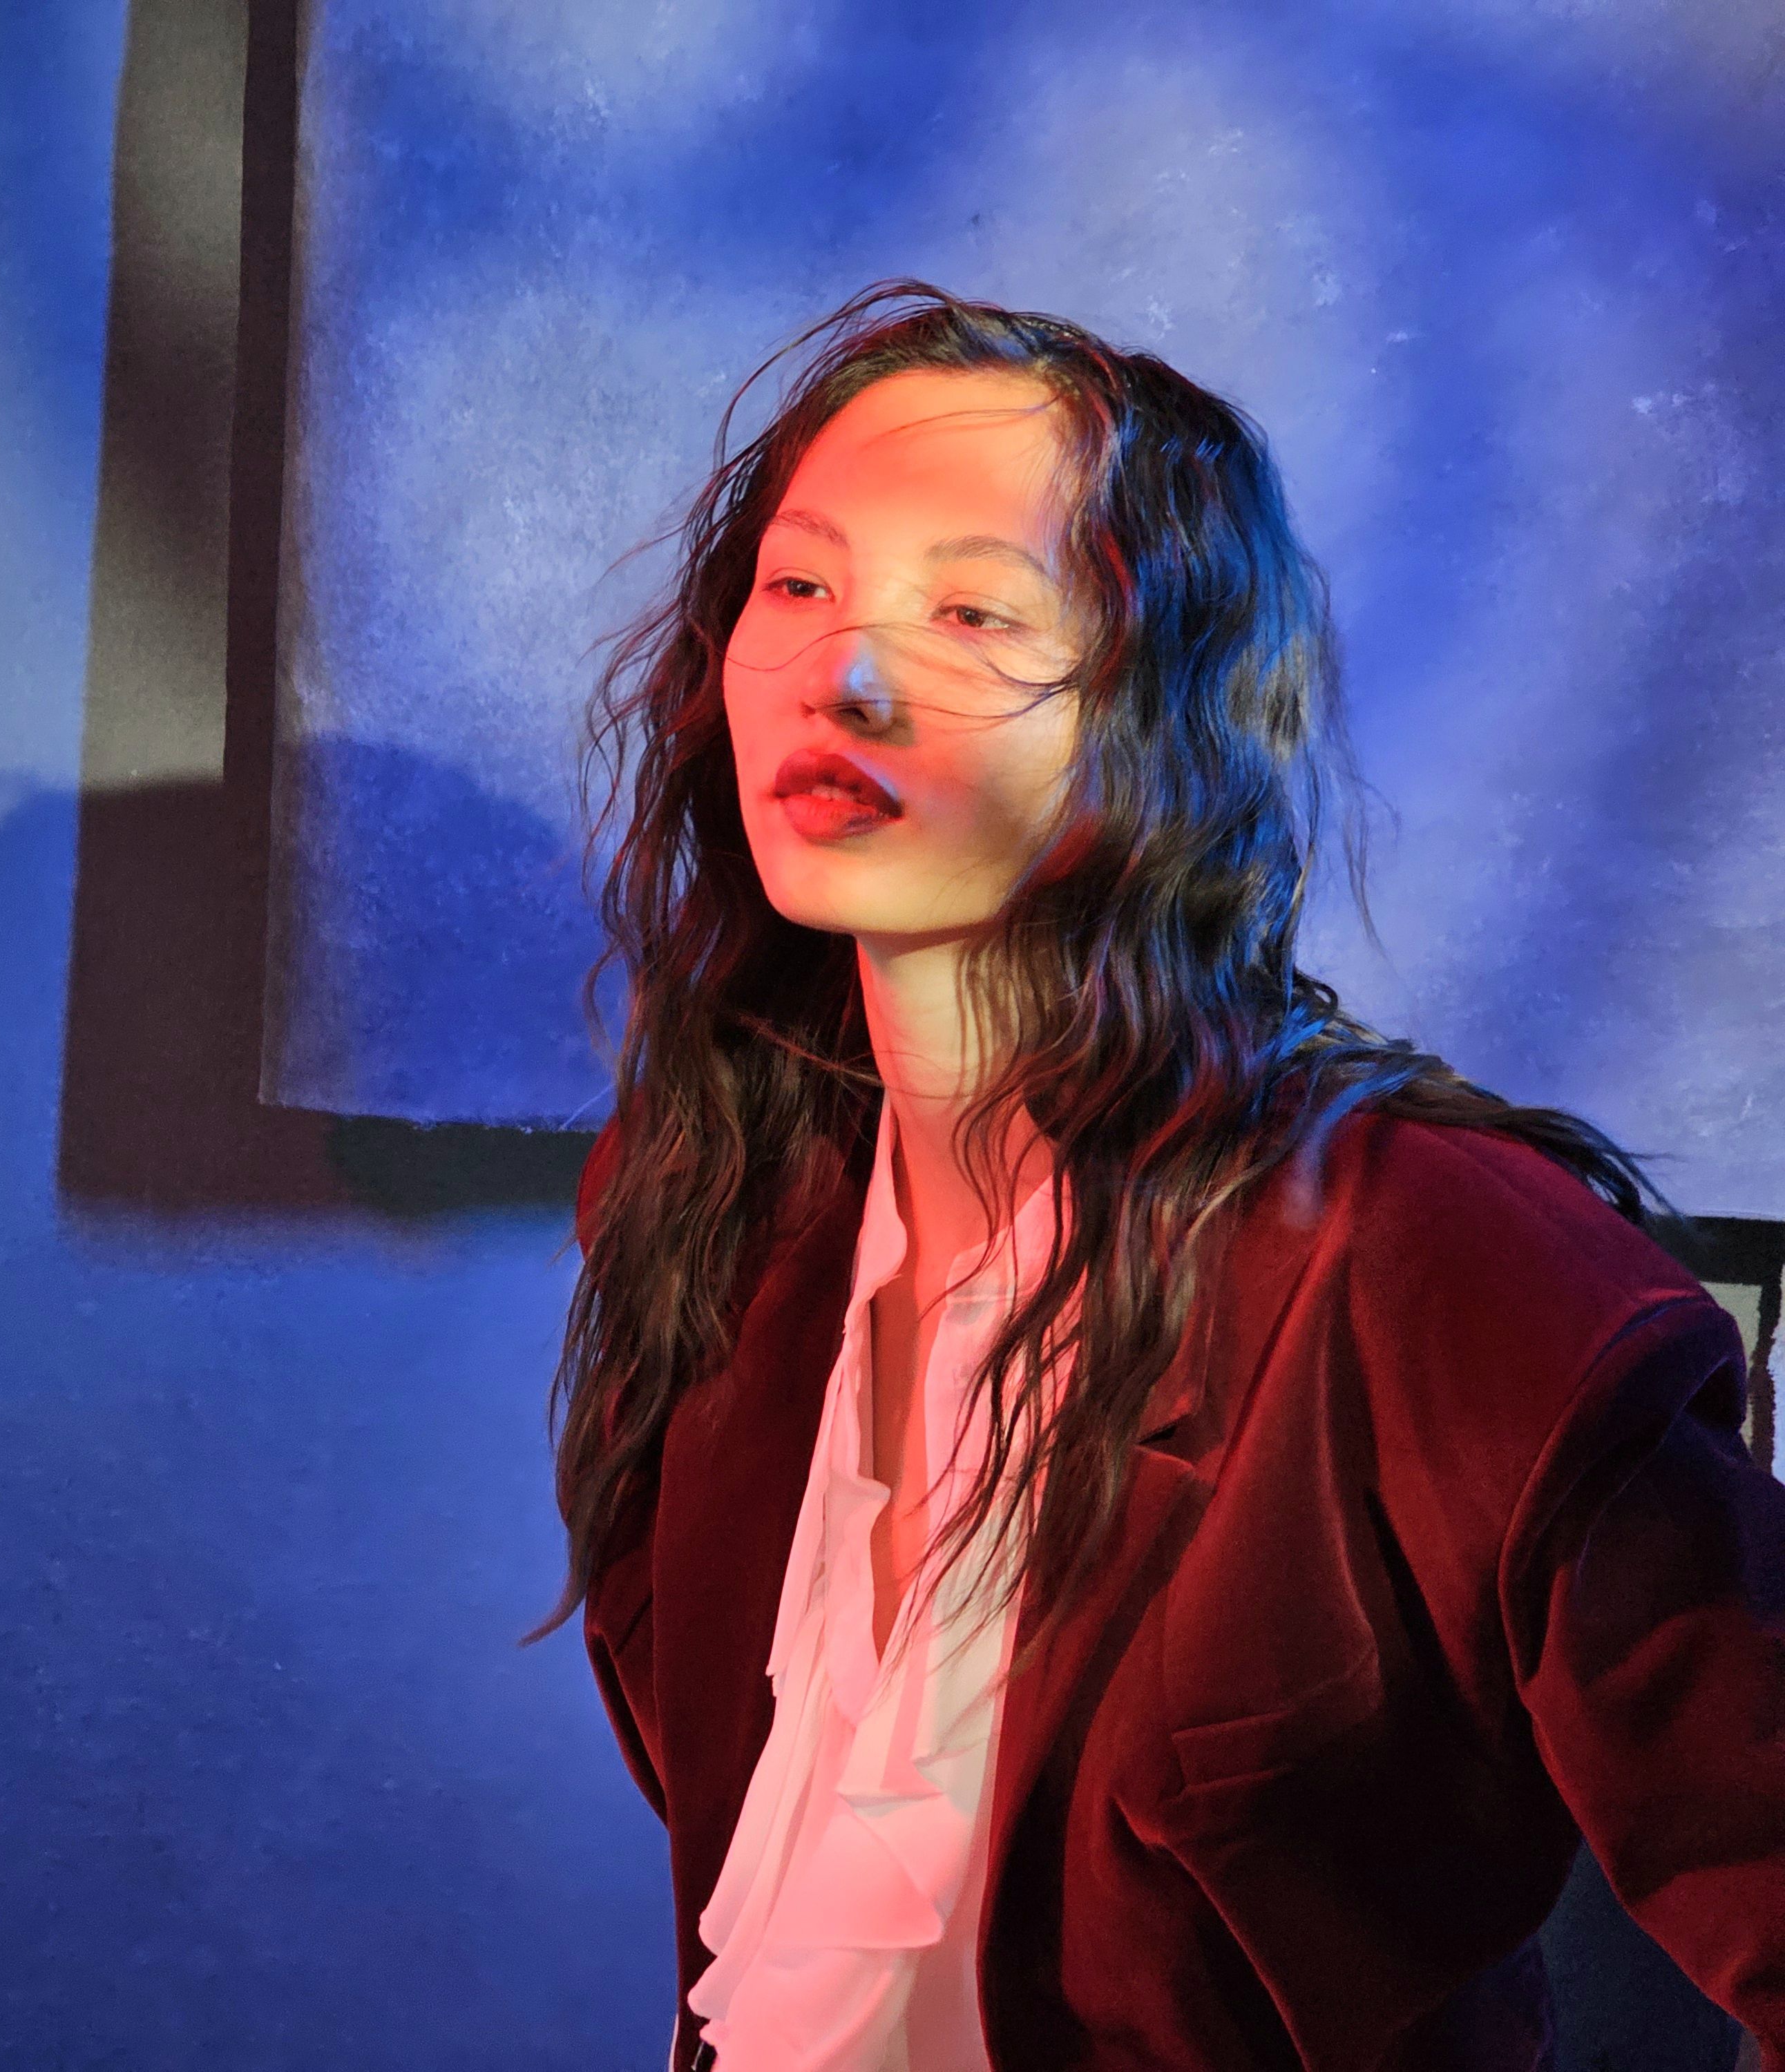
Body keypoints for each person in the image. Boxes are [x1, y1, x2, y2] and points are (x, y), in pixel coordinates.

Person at [533, 280, 1785, 2071]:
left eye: (973, 612)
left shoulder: (1433, 1265)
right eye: (799, 588)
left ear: (1158, 707)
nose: (846, 678)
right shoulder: (718, 1201)